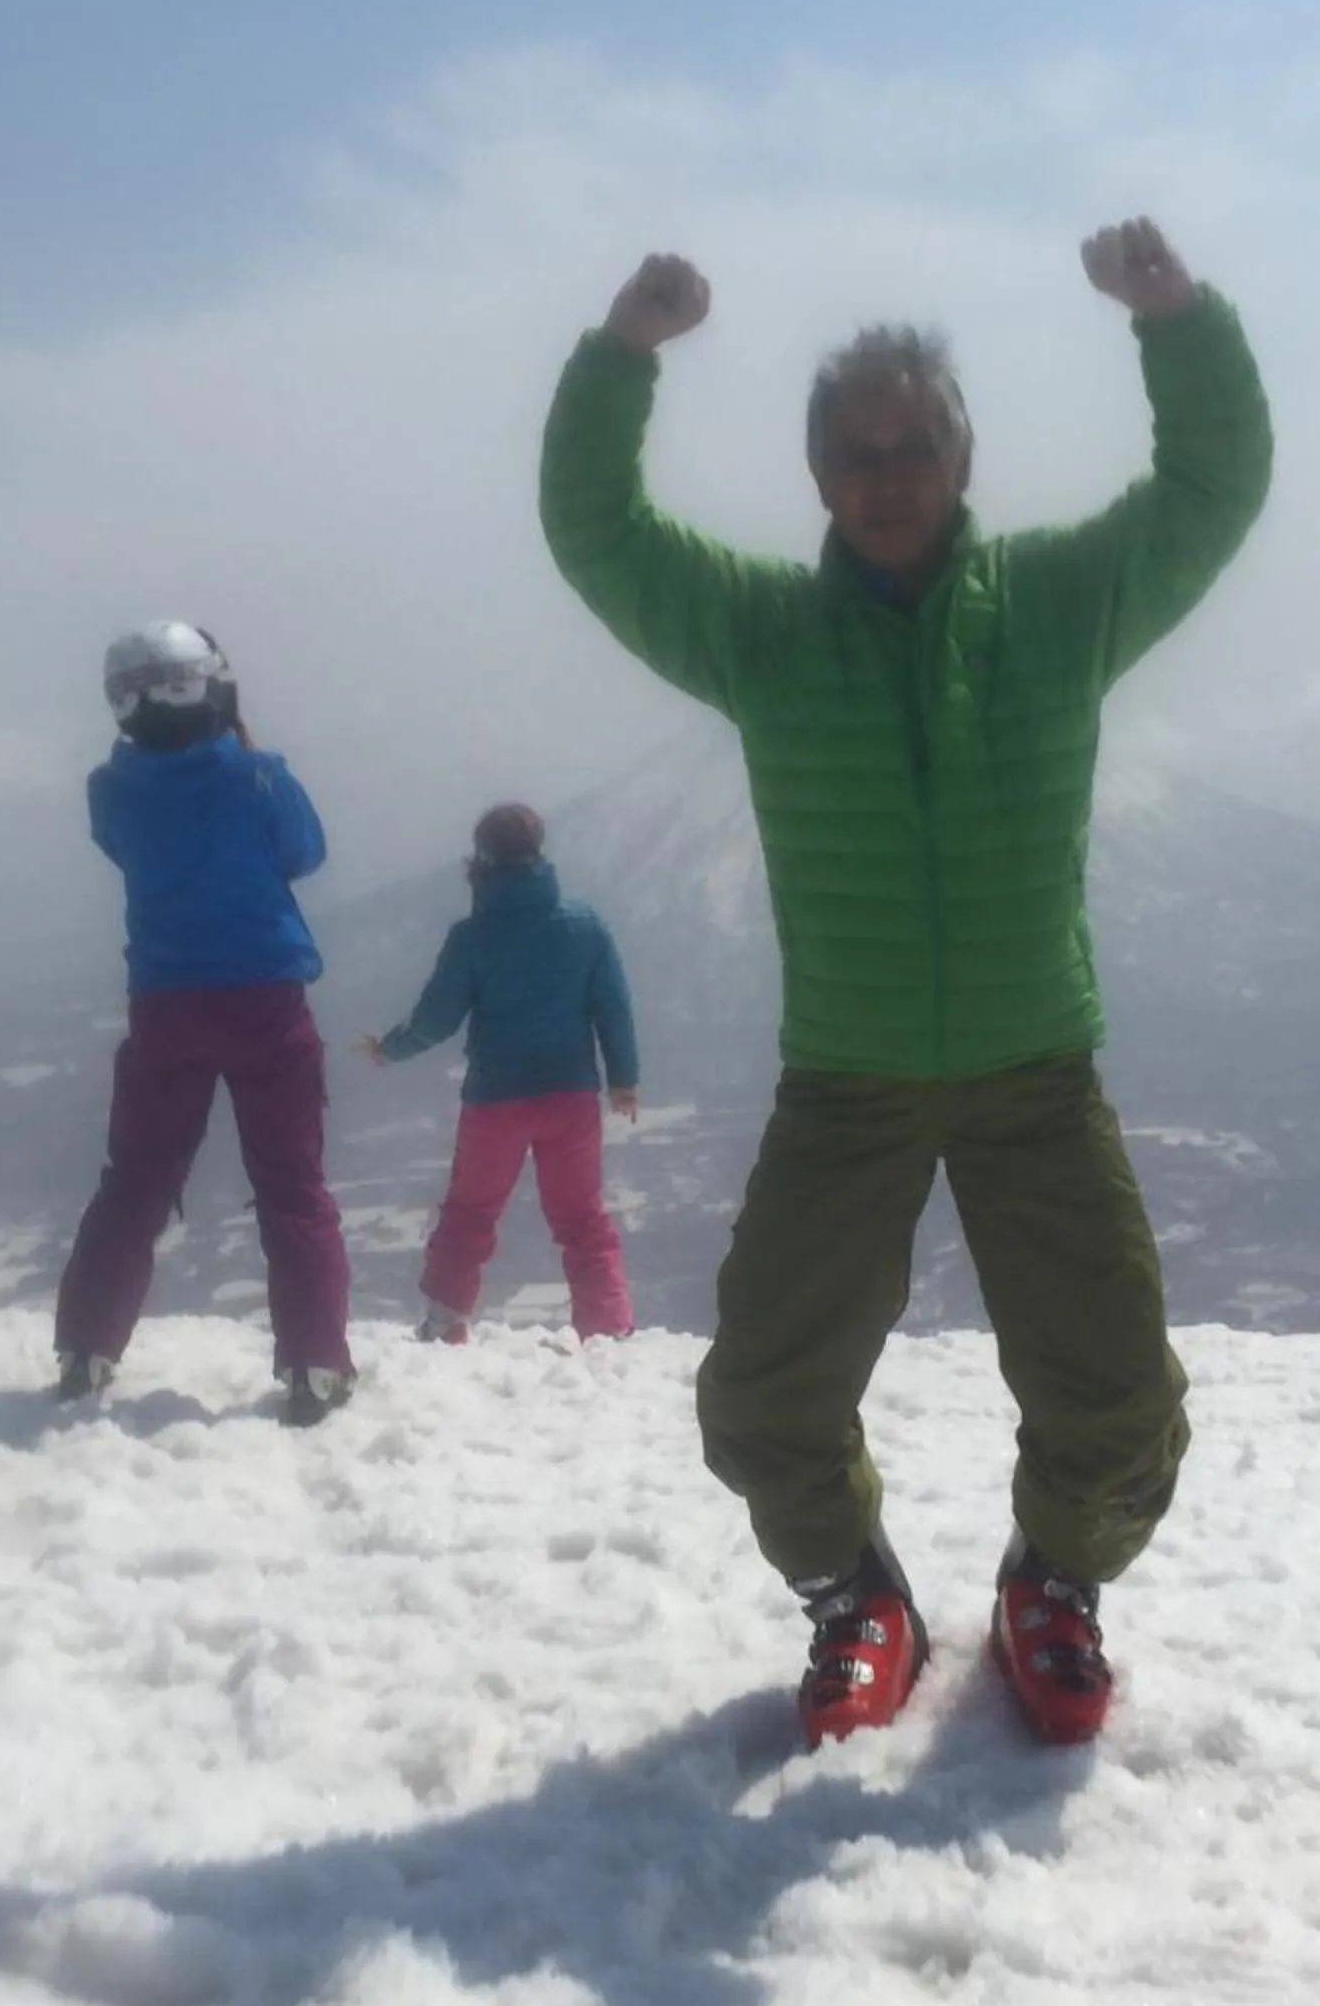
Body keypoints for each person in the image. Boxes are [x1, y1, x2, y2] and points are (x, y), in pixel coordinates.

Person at [540, 220, 1272, 1746]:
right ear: (819, 475)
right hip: (847, 1080)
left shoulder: (1061, 606)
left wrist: (1173, 320)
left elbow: (1213, 490)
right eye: (856, 452)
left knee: (1122, 1402)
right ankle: (853, 1597)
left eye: (913, 446)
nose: (885, 475)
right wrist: (619, 353)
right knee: (758, 1398)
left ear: (960, 455)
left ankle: (1050, 1583)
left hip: (1033, 1068)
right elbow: (599, 535)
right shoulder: (760, 631)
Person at [52, 621, 355, 1426]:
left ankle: (85, 1347)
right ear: (214, 686)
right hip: (265, 997)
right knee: (291, 1185)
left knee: (137, 1178)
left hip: (166, 1001)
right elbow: (305, 851)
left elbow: (123, 843)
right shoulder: (258, 777)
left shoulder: (108, 788)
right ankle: (315, 1362)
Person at [361, 803, 638, 1343]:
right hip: (570, 1094)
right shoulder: (585, 926)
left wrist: (388, 1050)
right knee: (582, 1216)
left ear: (480, 860)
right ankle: (607, 1328)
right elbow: (613, 1006)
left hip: (496, 1100)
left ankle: (446, 1322)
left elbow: (436, 1017)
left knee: (469, 1211)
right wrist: (624, 1077)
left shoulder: (472, 936)